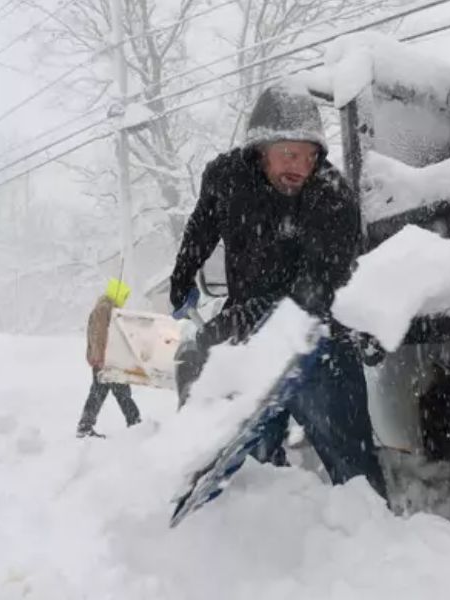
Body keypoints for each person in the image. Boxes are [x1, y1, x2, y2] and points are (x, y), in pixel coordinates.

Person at [168, 83, 387, 498]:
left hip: (315, 337)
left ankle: (370, 523)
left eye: (310, 156)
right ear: (260, 148)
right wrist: (182, 279)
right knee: (249, 457)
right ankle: (257, 508)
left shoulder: (331, 195)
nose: (301, 168)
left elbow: (326, 278)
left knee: (351, 459)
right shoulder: (226, 178)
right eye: (289, 154)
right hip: (246, 337)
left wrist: (266, 312)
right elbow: (201, 228)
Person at [77, 278, 141, 438]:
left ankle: (85, 427)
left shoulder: (107, 309)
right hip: (106, 361)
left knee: (98, 393)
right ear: (116, 293)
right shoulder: (104, 309)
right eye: (124, 296)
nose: (124, 300)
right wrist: (102, 359)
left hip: (104, 359)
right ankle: (136, 423)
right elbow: (99, 335)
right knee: (122, 392)